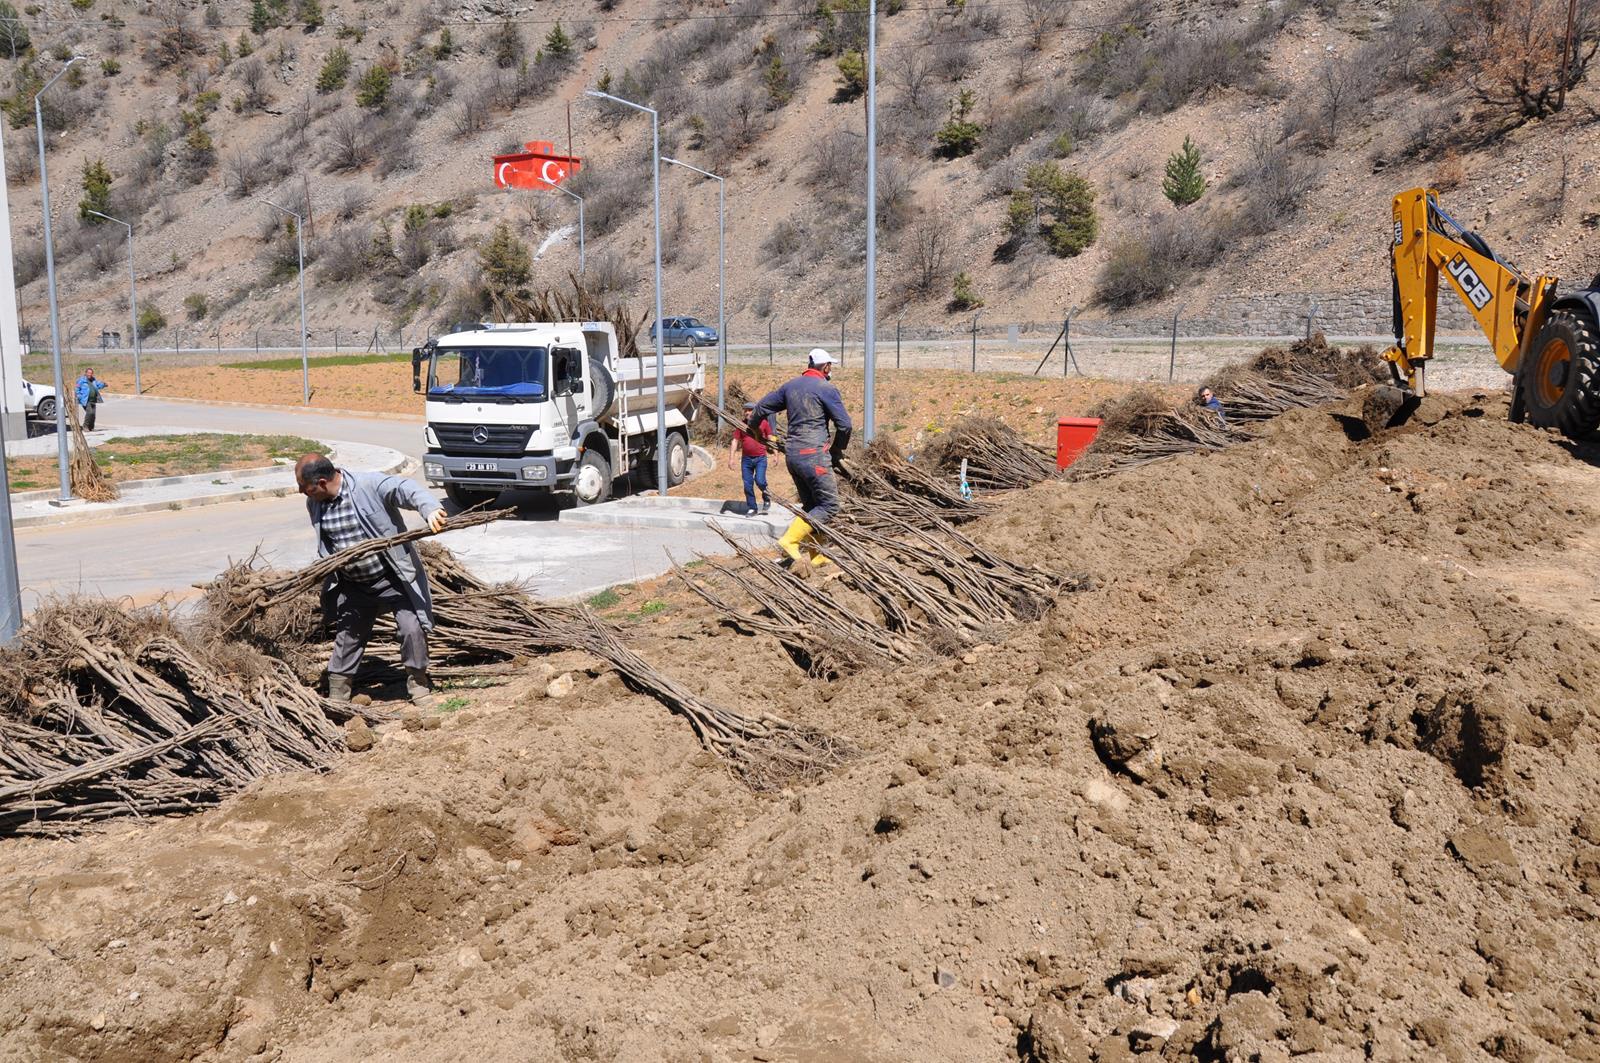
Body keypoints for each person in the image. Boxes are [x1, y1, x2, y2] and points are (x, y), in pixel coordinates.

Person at [295, 453, 448, 708]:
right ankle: (338, 696)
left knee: (412, 629)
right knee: (348, 637)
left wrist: (430, 508)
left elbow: (404, 488)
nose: (302, 492)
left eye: (304, 487)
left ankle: (419, 685)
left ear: (321, 483)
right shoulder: (315, 504)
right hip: (354, 584)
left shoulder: (368, 485)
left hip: (393, 577)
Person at [748, 348, 852, 565]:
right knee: (830, 505)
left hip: (793, 457)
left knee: (813, 505)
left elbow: (761, 407)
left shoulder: (790, 386)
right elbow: (845, 425)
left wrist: (754, 429)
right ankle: (789, 540)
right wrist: (836, 450)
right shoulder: (826, 388)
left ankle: (816, 555)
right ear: (826, 367)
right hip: (814, 456)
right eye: (830, 365)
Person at [728, 400, 772, 517]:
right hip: (746, 460)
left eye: (750, 410)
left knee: (760, 481)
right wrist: (731, 458)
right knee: (747, 485)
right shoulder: (741, 425)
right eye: (745, 410)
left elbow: (770, 437)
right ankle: (752, 508)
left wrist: (776, 454)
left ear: (755, 411)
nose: (747, 412)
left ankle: (766, 496)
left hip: (760, 458)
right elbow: (735, 441)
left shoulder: (763, 423)